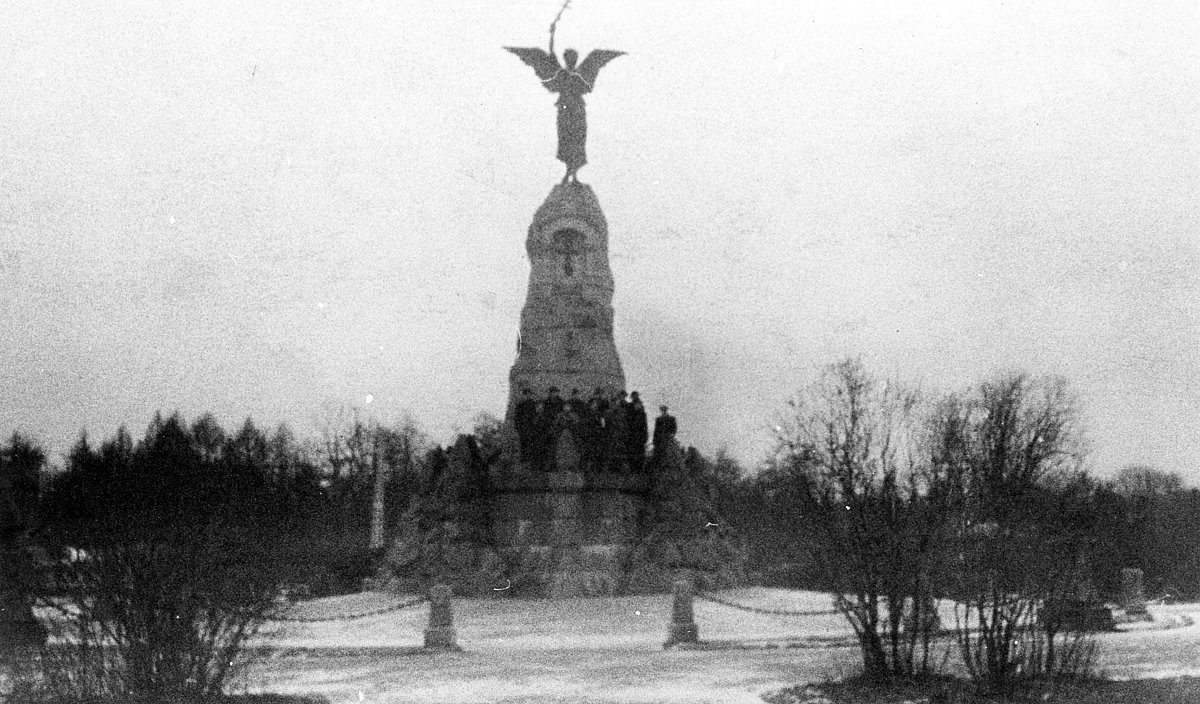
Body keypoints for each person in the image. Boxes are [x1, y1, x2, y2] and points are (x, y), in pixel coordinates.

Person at [513, 388, 539, 461]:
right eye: (526, 394)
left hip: (530, 426)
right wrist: (517, 427)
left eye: (529, 394)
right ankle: (523, 458)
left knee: (531, 441)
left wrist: (534, 425)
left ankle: (530, 458)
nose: (528, 396)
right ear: (523, 395)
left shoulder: (532, 403)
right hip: (522, 426)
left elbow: (535, 414)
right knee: (523, 442)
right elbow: (516, 416)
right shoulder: (520, 404)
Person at [626, 391, 649, 472]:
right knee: (633, 451)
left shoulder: (641, 408)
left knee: (639, 451)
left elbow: (644, 423)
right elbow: (628, 420)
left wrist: (645, 435)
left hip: (639, 434)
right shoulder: (630, 407)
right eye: (634, 397)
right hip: (633, 433)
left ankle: (638, 469)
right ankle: (634, 468)